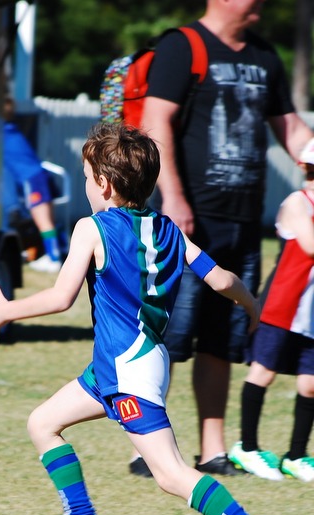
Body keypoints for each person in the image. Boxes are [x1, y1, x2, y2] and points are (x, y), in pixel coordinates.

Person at [0, 122, 294, 515]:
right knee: (43, 422)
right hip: (123, 368)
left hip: (127, 373)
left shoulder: (92, 228)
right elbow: (221, 278)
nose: (85, 188)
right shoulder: (167, 229)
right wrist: (252, 306)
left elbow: (61, 298)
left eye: (85, 178)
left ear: (103, 183)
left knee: (170, 473)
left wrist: (4, 311)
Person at [128, 0, 314, 478]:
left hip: (243, 222)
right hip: (188, 220)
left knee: (222, 339)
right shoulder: (181, 47)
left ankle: (213, 449)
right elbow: (156, 123)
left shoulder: (264, 56)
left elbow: (292, 131)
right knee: (166, 335)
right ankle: (146, 448)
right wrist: (174, 198)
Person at [229, 138, 314, 482]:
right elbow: (310, 244)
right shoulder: (297, 201)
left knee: (310, 385)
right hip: (282, 306)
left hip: (310, 313)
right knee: (262, 373)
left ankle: (296, 455)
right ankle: (246, 448)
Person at [3, 96, 64, 272]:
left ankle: (53, 259)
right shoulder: (12, 130)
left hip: (32, 180)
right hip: (39, 176)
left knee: (44, 222)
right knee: (49, 220)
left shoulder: (0, 133)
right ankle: (59, 252)